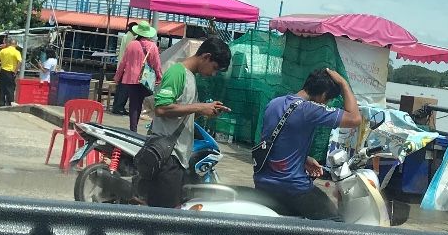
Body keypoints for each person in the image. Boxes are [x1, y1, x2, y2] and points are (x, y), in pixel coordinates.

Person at [253, 68, 361, 220]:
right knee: (335, 222)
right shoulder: (308, 109)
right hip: (292, 187)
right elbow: (355, 119)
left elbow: (274, 142)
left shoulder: (274, 103)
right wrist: (344, 83)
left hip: (263, 182)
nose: (326, 103)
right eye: (328, 100)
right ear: (323, 95)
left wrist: (304, 160)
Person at [142, 36, 232, 208]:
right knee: (165, 214)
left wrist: (204, 112)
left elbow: (181, 116)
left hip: (178, 157)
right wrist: (200, 107)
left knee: (171, 211)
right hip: (168, 157)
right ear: (206, 56)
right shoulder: (177, 72)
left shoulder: (190, 77)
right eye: (214, 68)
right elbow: (161, 109)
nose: (213, 74)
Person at [113, 21, 162, 132]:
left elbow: (123, 62)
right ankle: (136, 127)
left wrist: (117, 76)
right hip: (145, 79)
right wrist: (159, 77)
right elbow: (157, 64)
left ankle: (133, 128)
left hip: (131, 78)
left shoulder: (132, 44)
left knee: (134, 104)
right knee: (140, 102)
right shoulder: (153, 46)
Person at [0, 36, 23, 106]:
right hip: (10, 72)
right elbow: (20, 61)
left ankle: (1, 104)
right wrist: (16, 71)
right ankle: (10, 104)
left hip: (3, 71)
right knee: (10, 88)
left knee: (2, 89)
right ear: (15, 44)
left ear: (9, 44)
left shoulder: (4, 51)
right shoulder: (16, 52)